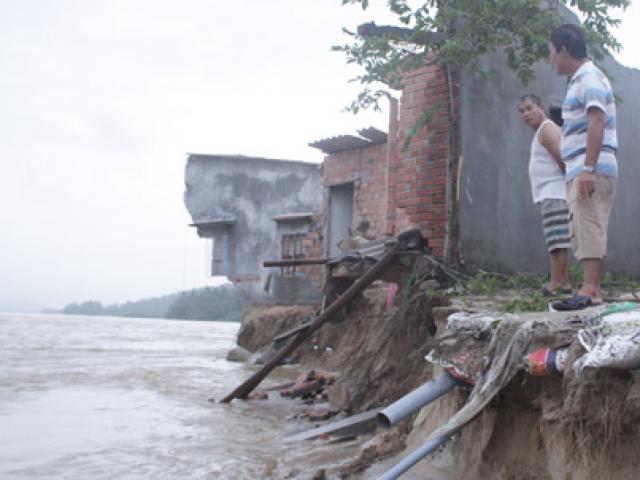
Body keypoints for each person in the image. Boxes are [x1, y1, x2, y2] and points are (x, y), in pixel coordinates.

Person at [549, 24, 618, 311]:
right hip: (582, 167)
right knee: (583, 225)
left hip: (591, 167)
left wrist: (588, 168)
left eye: (552, 52)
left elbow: (597, 122)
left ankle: (590, 291)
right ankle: (590, 289)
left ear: (563, 50)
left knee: (589, 224)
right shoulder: (580, 80)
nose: (551, 58)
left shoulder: (589, 77)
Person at [517, 94, 573, 296]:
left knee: (557, 241)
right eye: (522, 111)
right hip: (550, 193)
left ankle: (559, 284)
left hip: (554, 192)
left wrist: (571, 186)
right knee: (555, 240)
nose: (525, 114)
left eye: (529, 108)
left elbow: (563, 160)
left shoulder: (547, 129)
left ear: (540, 107)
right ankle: (561, 282)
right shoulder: (543, 130)